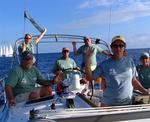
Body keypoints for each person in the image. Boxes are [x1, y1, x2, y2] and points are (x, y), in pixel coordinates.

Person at [85, 35, 149, 106]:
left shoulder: (130, 62)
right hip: (108, 105)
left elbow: (134, 81)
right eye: (115, 46)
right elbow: (89, 78)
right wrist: (87, 59)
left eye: (121, 45)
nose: (118, 48)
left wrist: (145, 91)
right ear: (111, 47)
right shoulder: (104, 65)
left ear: (124, 47)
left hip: (127, 104)